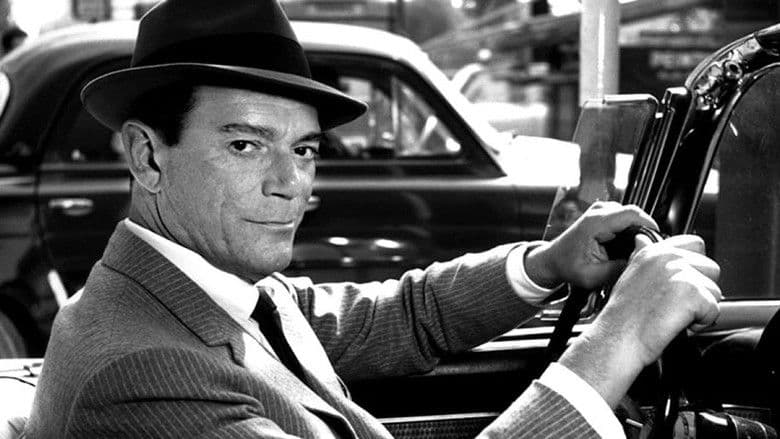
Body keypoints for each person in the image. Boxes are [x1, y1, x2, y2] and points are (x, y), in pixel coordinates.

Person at [25, 0, 722, 437]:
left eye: (304, 149)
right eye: (245, 144)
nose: (290, 184)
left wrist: (546, 264)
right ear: (147, 156)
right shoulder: (144, 371)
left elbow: (403, 316)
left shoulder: (214, 290)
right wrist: (619, 338)